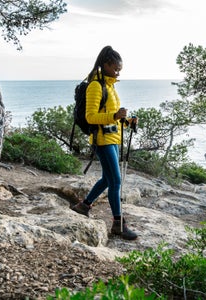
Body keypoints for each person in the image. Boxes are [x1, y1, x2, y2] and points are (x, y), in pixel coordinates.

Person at [72, 45, 138, 240]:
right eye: (116, 68)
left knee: (107, 179)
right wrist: (115, 115)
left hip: (113, 139)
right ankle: (118, 224)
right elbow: (91, 117)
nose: (118, 72)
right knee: (115, 181)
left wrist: (126, 121)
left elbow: (113, 117)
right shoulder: (95, 86)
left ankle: (84, 205)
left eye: (120, 69)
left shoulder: (110, 87)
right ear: (105, 65)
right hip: (102, 140)